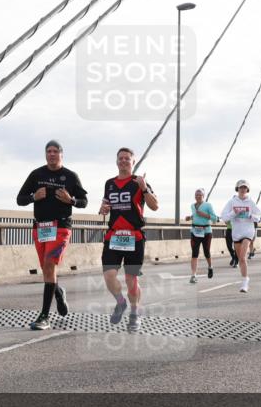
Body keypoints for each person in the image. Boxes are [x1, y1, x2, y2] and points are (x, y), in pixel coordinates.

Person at [16, 140, 89, 330]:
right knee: (47, 270)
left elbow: (84, 202)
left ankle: (44, 317)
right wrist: (33, 197)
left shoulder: (70, 176)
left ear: (61, 154)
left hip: (61, 227)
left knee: (49, 265)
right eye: (48, 151)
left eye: (55, 151)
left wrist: (71, 200)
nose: (52, 154)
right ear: (45, 154)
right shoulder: (36, 174)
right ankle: (58, 292)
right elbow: (19, 199)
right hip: (40, 227)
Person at [99, 147, 158, 332]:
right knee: (109, 276)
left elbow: (155, 206)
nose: (123, 161)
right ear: (117, 161)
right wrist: (103, 209)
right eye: (121, 158)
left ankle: (134, 313)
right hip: (114, 236)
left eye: (127, 158)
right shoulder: (109, 183)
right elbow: (105, 206)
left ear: (133, 162)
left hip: (134, 237)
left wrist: (144, 188)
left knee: (131, 279)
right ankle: (120, 302)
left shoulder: (139, 182)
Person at [221, 180, 261, 293]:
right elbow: (224, 217)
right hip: (236, 232)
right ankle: (246, 278)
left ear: (247, 189)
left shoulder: (251, 202)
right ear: (237, 189)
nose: (243, 189)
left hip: (248, 232)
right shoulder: (232, 202)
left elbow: (259, 217)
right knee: (240, 259)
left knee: (243, 257)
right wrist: (233, 213)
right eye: (241, 187)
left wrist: (250, 215)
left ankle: (244, 284)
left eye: (245, 188)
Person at [185, 188, 217, 283]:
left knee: (206, 251)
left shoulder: (208, 205)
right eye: (196, 195)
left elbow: (214, 218)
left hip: (206, 231)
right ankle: (193, 275)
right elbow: (195, 215)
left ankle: (210, 267)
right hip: (195, 231)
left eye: (200, 195)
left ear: (203, 196)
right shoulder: (192, 206)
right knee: (194, 253)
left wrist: (204, 215)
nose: (198, 196)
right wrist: (190, 217)